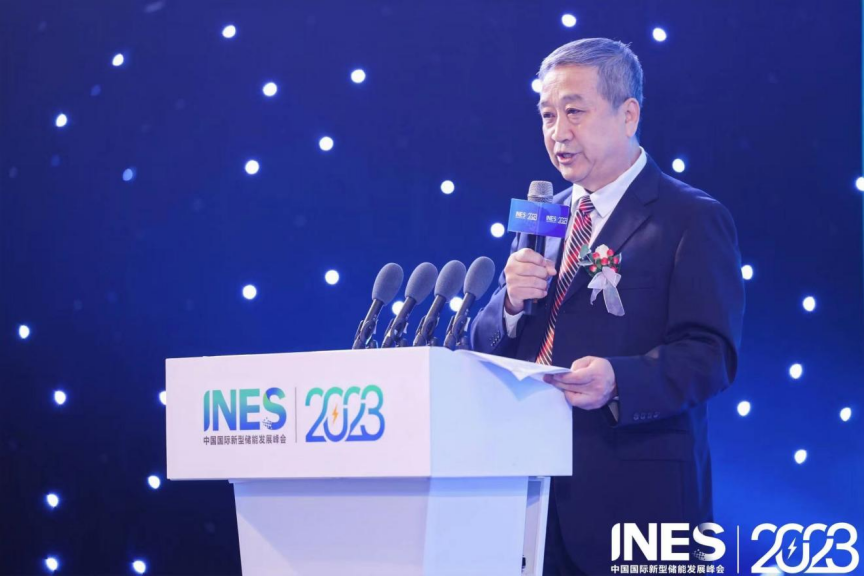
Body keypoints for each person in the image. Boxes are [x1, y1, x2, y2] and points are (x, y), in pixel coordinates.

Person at [470, 38, 745, 575]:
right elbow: (483, 342)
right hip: (530, 498)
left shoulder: (691, 217)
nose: (558, 132)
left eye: (574, 111)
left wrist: (619, 381)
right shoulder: (542, 216)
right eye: (547, 115)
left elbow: (711, 355)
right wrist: (508, 303)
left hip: (638, 502)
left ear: (628, 115)